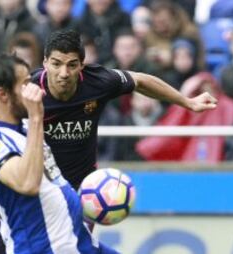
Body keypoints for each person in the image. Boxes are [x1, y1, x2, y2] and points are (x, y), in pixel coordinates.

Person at [0, 53, 120, 254]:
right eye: (25, 84)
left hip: (79, 243)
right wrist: (37, 116)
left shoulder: (22, 126)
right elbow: (27, 183)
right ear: (2, 94)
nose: (35, 90)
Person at [32, 29, 217, 189]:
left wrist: (188, 102)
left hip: (81, 186)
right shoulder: (27, 90)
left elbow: (141, 80)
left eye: (71, 65)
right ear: (45, 62)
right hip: (39, 185)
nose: (64, 73)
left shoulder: (97, 82)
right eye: (56, 64)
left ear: (81, 65)